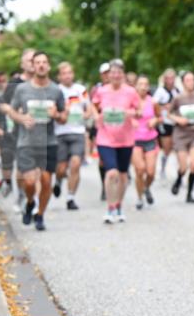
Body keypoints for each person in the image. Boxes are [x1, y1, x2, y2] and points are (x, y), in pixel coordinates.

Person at [6, 51, 67, 231]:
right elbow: (11, 110)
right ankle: (30, 201)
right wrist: (22, 118)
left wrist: (56, 115)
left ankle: (40, 215)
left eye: (44, 62)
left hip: (49, 143)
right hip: (26, 142)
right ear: (33, 66)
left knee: (47, 181)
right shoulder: (22, 89)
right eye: (37, 62)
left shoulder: (56, 90)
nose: (41, 65)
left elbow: (64, 116)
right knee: (31, 182)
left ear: (48, 66)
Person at [92, 59, 141, 223]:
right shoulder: (102, 91)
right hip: (105, 138)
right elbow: (94, 106)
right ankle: (110, 207)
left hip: (125, 139)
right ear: (108, 75)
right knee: (111, 172)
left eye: (119, 72)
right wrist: (96, 117)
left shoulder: (131, 92)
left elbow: (139, 110)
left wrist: (131, 114)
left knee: (122, 174)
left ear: (123, 74)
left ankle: (119, 204)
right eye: (112, 72)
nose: (116, 75)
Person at [0, 49, 36, 207]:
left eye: (35, 59)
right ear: (22, 64)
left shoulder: (43, 82)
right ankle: (20, 194)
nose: (33, 63)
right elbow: (2, 105)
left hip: (39, 131)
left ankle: (33, 200)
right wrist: (17, 112)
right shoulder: (15, 83)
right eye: (29, 60)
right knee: (22, 166)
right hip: (18, 131)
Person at [54, 62, 94, 211]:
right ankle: (58, 180)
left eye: (69, 72)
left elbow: (89, 109)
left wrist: (84, 115)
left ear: (73, 74)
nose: (67, 76)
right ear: (59, 76)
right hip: (60, 133)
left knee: (76, 164)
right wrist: (60, 115)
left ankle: (70, 197)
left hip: (77, 132)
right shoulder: (56, 91)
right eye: (64, 73)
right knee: (61, 168)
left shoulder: (81, 90)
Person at [168, 71, 194, 203]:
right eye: (188, 80)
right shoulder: (178, 98)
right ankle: (179, 179)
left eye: (193, 80)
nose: (191, 83)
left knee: (193, 164)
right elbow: (169, 113)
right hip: (181, 134)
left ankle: (189, 194)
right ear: (183, 83)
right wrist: (178, 119)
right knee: (183, 166)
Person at [131, 75, 160, 210]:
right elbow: (124, 116)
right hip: (135, 140)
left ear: (148, 87)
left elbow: (160, 117)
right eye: (140, 84)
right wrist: (131, 120)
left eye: (145, 84)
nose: (143, 87)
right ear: (136, 86)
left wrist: (155, 120)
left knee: (151, 172)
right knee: (140, 169)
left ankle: (146, 187)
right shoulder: (131, 102)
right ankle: (139, 198)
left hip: (150, 139)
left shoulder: (153, 102)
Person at [152, 69, 180, 180]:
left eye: (172, 78)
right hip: (165, 122)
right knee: (167, 147)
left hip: (176, 121)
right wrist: (163, 107)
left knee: (177, 147)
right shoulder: (160, 91)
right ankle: (163, 168)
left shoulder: (178, 91)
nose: (170, 80)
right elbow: (154, 103)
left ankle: (179, 172)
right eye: (168, 78)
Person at [91, 62, 112, 201]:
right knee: (102, 160)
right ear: (101, 75)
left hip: (118, 128)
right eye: (105, 73)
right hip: (102, 128)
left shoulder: (119, 88)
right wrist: (97, 117)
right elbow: (92, 106)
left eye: (109, 72)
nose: (107, 75)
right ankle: (104, 187)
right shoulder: (96, 89)